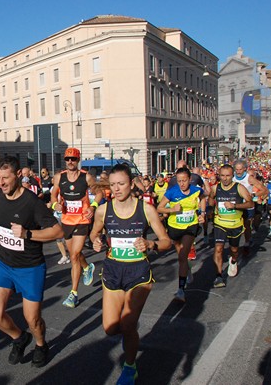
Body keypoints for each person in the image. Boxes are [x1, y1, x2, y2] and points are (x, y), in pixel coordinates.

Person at [90, 163, 171, 385]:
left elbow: (166, 241)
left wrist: (150, 244)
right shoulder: (103, 210)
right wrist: (95, 241)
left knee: (127, 326)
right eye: (113, 184)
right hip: (113, 270)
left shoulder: (146, 209)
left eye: (121, 184)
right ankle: (130, 335)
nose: (116, 189)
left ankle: (129, 367)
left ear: (131, 183)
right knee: (110, 328)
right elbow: (94, 234)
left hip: (138, 273)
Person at [0, 156, 63, 368]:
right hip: (4, 263)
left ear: (18, 175)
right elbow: (2, 226)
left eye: (5, 178)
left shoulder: (32, 202)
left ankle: (40, 344)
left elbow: (57, 231)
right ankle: (19, 338)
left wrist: (28, 234)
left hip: (30, 268)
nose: (0, 183)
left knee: (33, 320)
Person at [50, 147, 102, 308]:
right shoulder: (59, 177)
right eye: (67, 159)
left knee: (74, 255)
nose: (70, 162)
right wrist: (54, 204)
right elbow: (53, 194)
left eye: (73, 159)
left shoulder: (86, 177)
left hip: (82, 220)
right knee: (75, 255)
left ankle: (73, 294)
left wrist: (92, 207)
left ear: (78, 160)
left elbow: (99, 193)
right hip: (66, 220)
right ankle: (87, 267)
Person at [156, 167, 206, 302]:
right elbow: (159, 208)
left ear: (190, 179)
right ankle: (187, 269)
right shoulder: (172, 192)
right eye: (179, 181)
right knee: (181, 257)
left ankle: (181, 290)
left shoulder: (196, 190)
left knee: (184, 254)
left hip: (190, 226)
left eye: (184, 180)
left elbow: (203, 198)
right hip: (174, 227)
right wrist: (172, 209)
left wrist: (202, 213)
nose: (182, 183)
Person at [209, 164, 253, 287]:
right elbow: (211, 199)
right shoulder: (215, 188)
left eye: (228, 176)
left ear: (232, 176)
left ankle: (233, 261)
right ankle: (218, 276)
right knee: (218, 248)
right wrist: (211, 207)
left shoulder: (239, 188)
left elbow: (250, 203)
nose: (225, 178)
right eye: (222, 175)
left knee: (234, 250)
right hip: (220, 223)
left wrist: (235, 206)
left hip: (235, 224)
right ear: (219, 176)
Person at [233, 160, 268, 253]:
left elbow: (264, 190)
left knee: (246, 224)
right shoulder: (231, 177)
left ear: (245, 169)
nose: (238, 171)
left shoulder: (249, 178)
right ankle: (234, 243)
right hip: (236, 205)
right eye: (236, 169)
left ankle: (247, 242)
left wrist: (253, 195)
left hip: (248, 205)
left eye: (240, 169)